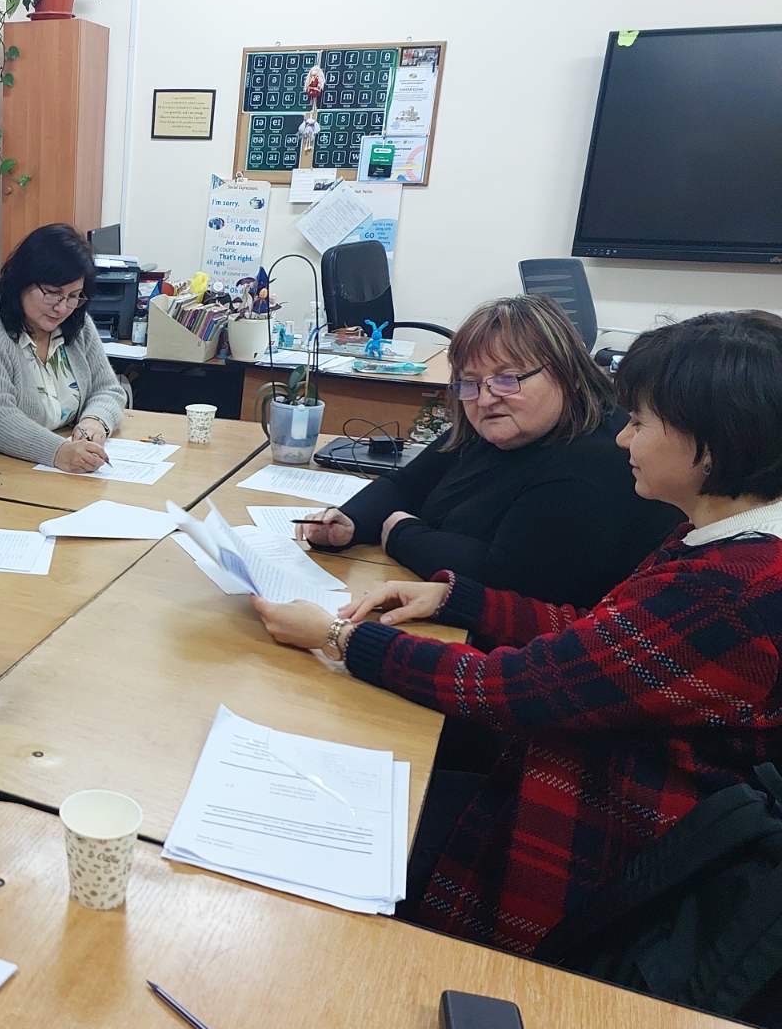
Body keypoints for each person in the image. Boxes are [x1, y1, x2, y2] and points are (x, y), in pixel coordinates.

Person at [251, 311, 782, 957]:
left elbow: (513, 688)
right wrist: (457, 598)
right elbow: (600, 637)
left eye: (641, 423)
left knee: (320, 830)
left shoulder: (728, 593)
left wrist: (340, 638)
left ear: (715, 441)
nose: (624, 438)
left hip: (603, 846)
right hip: (584, 780)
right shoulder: (723, 541)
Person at [298, 296, 682, 607]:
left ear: (566, 373)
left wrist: (401, 533)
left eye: (508, 379)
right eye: (469, 383)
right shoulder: (503, 425)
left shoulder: (595, 459)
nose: (485, 398)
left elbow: (504, 578)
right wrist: (350, 521)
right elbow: (407, 483)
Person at [0, 223, 125, 473]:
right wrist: (59, 452)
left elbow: (108, 388)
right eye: (52, 293)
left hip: (56, 471)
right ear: (22, 281)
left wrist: (95, 421)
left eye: (74, 296)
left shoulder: (77, 324)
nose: (62, 308)